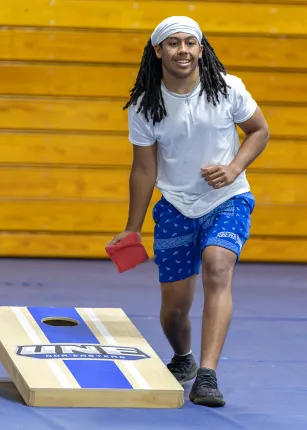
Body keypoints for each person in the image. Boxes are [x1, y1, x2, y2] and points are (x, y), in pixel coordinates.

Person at [109, 16, 269, 407]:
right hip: (177, 206)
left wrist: (234, 168)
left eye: (190, 43)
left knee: (218, 263)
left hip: (228, 199)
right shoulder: (146, 106)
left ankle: (208, 376)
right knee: (174, 310)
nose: (183, 50)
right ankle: (184, 359)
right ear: (158, 51)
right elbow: (144, 169)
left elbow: (260, 131)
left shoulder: (228, 89)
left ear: (201, 48)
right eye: (173, 43)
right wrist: (132, 227)